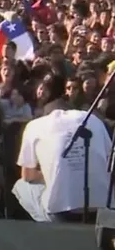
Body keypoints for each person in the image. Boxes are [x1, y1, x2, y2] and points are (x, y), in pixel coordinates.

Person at [14, 75, 112, 223]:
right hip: (103, 209)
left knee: (21, 185)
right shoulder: (93, 120)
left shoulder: (34, 126)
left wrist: (51, 173)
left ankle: (49, 230)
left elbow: (27, 175)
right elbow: (109, 163)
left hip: (62, 214)